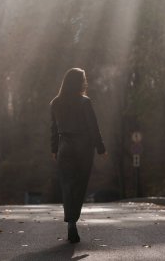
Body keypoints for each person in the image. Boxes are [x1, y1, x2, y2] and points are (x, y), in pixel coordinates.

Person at [50, 68, 107, 243]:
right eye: (83, 79)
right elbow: (93, 127)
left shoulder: (55, 103)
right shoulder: (84, 102)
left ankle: (71, 222)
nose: (85, 82)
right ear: (79, 82)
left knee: (67, 185)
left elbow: (53, 129)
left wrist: (54, 149)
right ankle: (73, 220)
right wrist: (101, 148)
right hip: (83, 148)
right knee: (80, 186)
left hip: (64, 146)